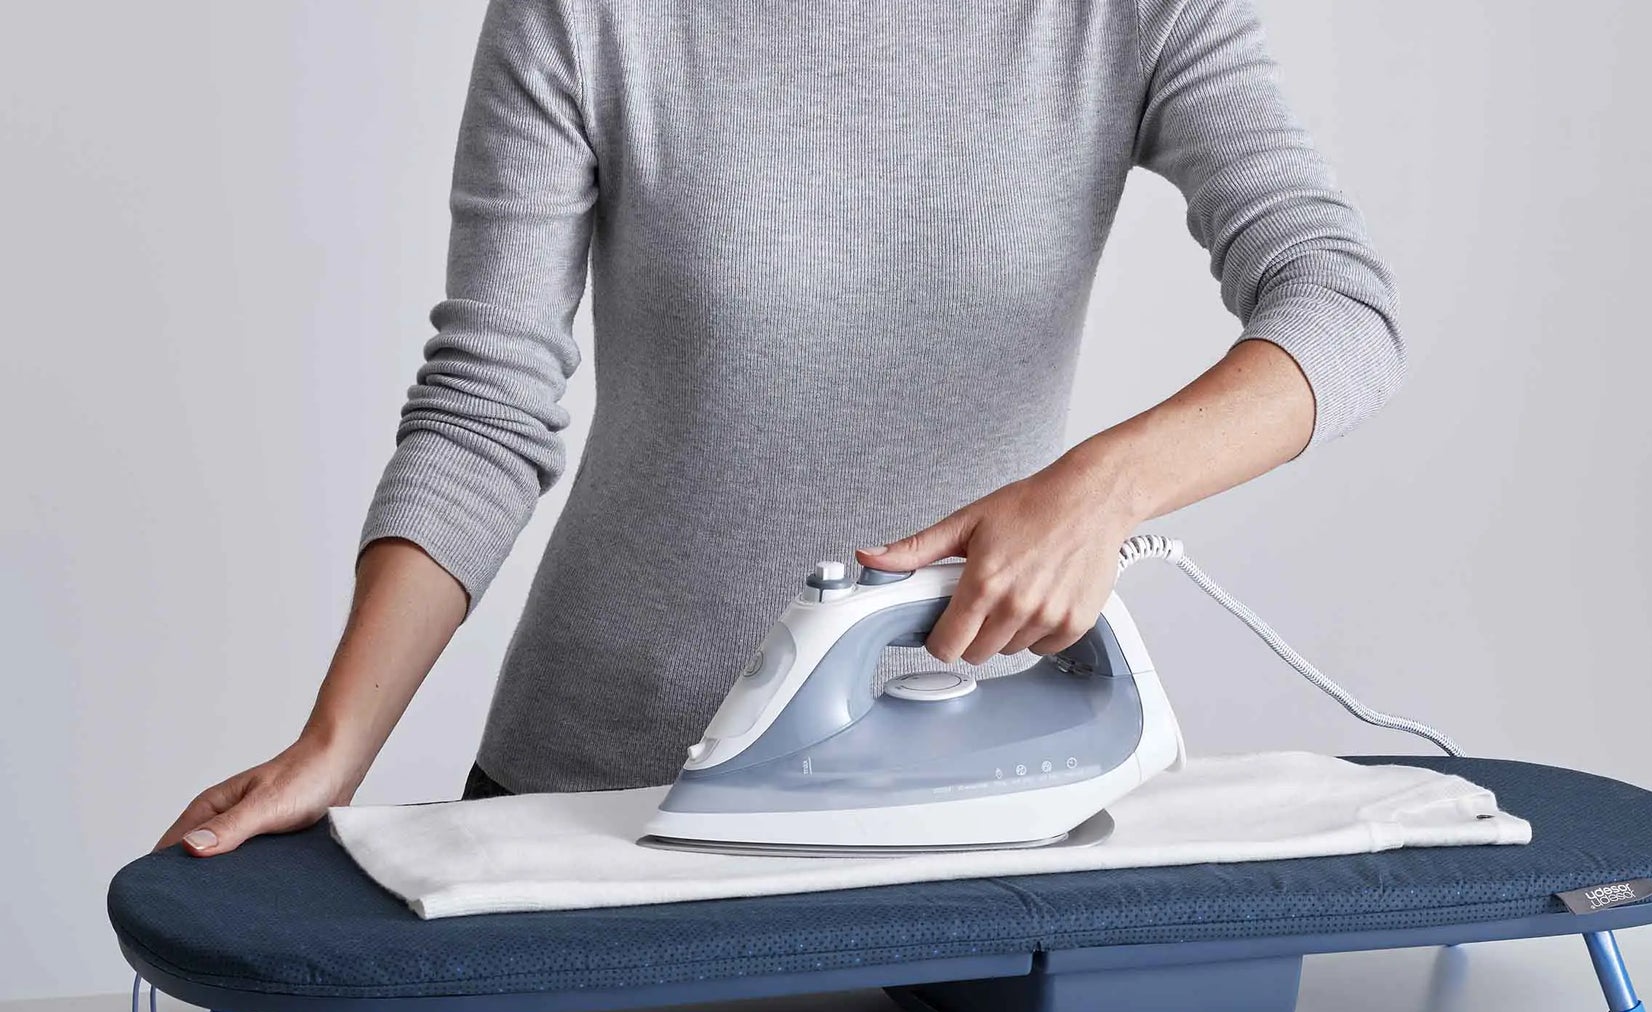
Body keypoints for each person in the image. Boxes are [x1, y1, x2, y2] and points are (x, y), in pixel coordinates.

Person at [160, 0, 1402, 855]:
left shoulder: (1127, 16)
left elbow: (1339, 306)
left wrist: (1102, 489)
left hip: (980, 817)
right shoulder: (587, 17)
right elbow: (487, 405)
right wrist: (337, 741)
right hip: (602, 809)